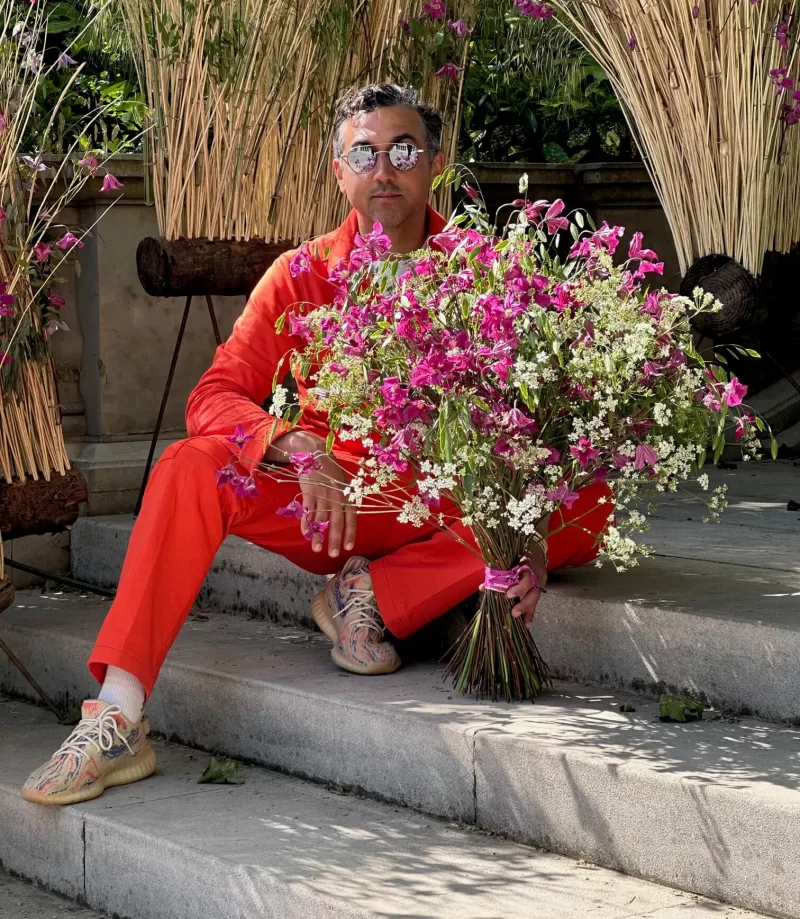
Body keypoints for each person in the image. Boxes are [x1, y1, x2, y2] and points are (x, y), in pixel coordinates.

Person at [22, 83, 613, 807]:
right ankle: (116, 714)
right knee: (189, 463)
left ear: (433, 164)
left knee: (590, 496)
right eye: (364, 153)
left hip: (454, 505)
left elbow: (544, 415)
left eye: (402, 151)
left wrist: (529, 542)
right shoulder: (301, 273)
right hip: (337, 506)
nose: (383, 170)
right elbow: (212, 396)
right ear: (340, 171)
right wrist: (295, 443)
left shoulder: (480, 268)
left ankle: (376, 594)